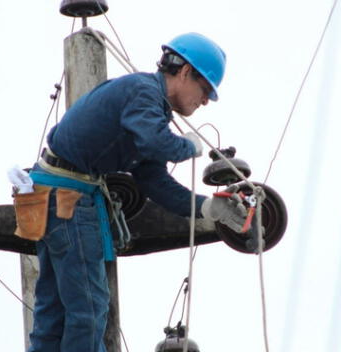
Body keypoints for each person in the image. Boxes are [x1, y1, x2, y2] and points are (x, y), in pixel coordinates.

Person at [26, 32, 247, 352]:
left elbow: (155, 183)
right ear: (185, 72)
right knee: (89, 308)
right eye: (205, 91)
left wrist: (209, 208)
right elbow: (156, 142)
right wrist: (189, 146)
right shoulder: (143, 93)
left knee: (55, 307)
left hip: (53, 193)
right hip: (67, 198)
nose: (204, 101)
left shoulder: (148, 110)